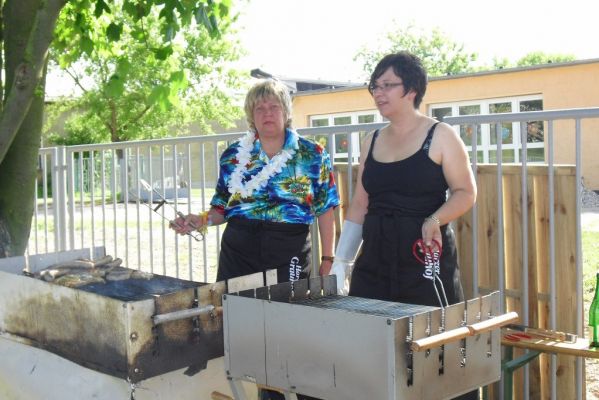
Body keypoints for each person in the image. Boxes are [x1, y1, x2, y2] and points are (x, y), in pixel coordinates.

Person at [172, 79, 339, 400]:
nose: (267, 113)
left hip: (288, 248)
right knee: (239, 326)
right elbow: (221, 208)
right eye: (259, 108)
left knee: (287, 329)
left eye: (274, 106)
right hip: (240, 248)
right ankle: (248, 389)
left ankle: (288, 393)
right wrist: (200, 220)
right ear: (251, 115)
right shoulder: (234, 155)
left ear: (286, 112)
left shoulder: (312, 154)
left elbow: (327, 208)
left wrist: (328, 258)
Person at [325, 52, 477, 400]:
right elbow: (360, 204)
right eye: (374, 86)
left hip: (424, 261)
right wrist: (342, 262)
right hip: (375, 260)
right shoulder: (372, 140)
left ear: (411, 89)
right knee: (371, 347)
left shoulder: (441, 135)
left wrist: (435, 219)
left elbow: (466, 192)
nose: (378, 93)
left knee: (433, 349)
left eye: (387, 85)